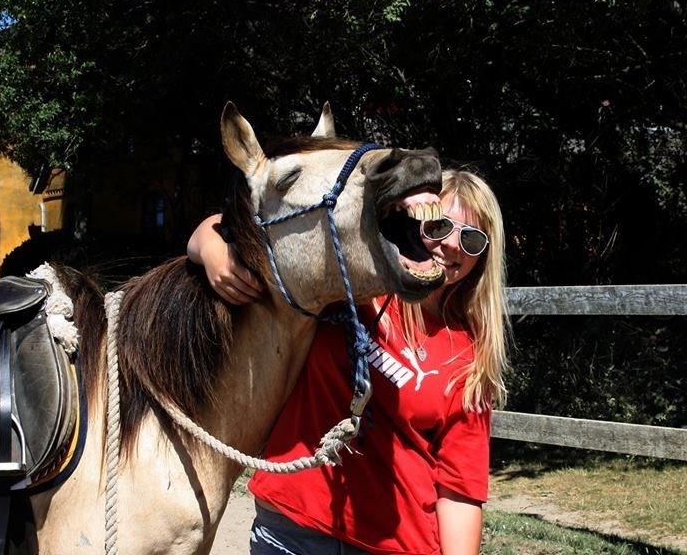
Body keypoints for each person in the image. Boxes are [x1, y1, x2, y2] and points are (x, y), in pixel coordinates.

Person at [188, 169, 508, 555]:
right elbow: (235, 227)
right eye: (440, 225)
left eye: (471, 239)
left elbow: (458, 490)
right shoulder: (350, 288)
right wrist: (210, 248)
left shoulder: (468, 358)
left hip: (394, 545)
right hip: (292, 531)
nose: (451, 245)